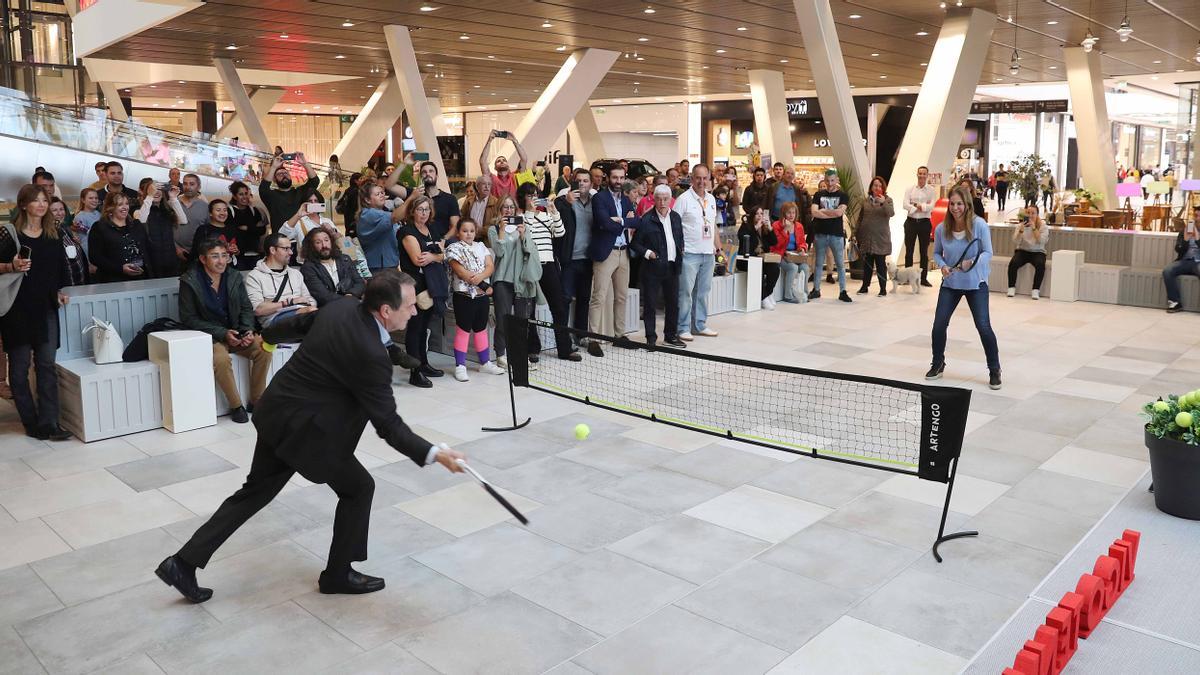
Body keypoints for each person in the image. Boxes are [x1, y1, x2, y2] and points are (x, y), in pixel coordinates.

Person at [157, 271, 469, 602]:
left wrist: (270, 338)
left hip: (278, 412)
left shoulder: (342, 307)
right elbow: (388, 425)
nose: (415, 311)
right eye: (409, 306)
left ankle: (182, 563)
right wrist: (435, 453)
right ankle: (337, 574)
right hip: (308, 433)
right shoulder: (372, 356)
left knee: (254, 492)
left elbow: (298, 324)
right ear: (386, 311)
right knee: (359, 488)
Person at [178, 238, 272, 423]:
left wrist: (247, 331)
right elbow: (188, 318)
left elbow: (246, 308)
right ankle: (236, 406)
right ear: (203, 259)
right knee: (221, 359)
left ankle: (257, 400)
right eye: (215, 256)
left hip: (236, 332)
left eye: (224, 255)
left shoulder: (234, 276)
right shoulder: (190, 280)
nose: (221, 261)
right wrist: (223, 333)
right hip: (210, 336)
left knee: (264, 348)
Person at [930, 185, 1000, 389]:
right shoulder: (942, 228)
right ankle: (937, 363)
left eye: (959, 204)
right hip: (950, 283)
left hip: (975, 283)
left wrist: (972, 262)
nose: (955, 207)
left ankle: (994, 369)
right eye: (952, 203)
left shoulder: (979, 225)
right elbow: (936, 253)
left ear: (967, 204)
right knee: (939, 325)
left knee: (983, 326)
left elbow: (988, 252)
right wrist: (942, 266)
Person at [518, 182, 580, 362]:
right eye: (529, 195)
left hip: (549, 265)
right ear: (523, 198)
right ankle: (532, 348)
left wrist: (553, 210)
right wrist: (529, 212)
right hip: (529, 266)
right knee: (529, 309)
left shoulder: (547, 216)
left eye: (535, 194)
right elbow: (521, 234)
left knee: (559, 307)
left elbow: (560, 232)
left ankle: (564, 348)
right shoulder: (520, 217)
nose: (533, 198)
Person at [586, 166, 638, 358]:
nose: (618, 181)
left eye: (621, 177)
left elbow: (637, 222)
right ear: (609, 178)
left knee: (622, 296)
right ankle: (593, 338)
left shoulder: (625, 199)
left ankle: (619, 335)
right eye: (615, 177)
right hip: (605, 253)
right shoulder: (600, 198)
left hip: (623, 252)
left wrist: (619, 220)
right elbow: (603, 222)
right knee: (599, 296)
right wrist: (624, 221)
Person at [397, 195, 449, 387]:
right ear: (412, 211)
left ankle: (424, 363)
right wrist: (438, 255)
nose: (424, 213)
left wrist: (435, 256)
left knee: (425, 326)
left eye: (427, 209)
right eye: (420, 209)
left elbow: (445, 254)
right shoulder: (406, 231)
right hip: (416, 285)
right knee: (415, 327)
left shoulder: (432, 228)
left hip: (432, 283)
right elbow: (418, 259)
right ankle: (415, 370)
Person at [445, 219, 504, 381]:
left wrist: (480, 279)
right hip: (463, 296)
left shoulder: (481, 246)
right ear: (458, 233)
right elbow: (462, 272)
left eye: (471, 230)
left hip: (481, 297)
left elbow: (490, 266)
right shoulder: (453, 249)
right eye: (465, 231)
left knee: (480, 329)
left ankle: (485, 363)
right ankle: (460, 365)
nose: (469, 234)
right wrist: (484, 285)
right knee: (463, 329)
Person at [488, 196, 541, 371]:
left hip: (522, 280)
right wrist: (502, 232)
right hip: (503, 279)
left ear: (516, 209)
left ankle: (519, 355)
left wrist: (524, 234)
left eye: (511, 207)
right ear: (499, 209)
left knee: (521, 321)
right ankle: (501, 355)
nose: (508, 210)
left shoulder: (523, 228)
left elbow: (530, 250)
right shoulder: (494, 229)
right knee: (503, 319)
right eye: (505, 207)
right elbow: (499, 252)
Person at [632, 185, 686, 347]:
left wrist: (680, 248)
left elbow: (680, 237)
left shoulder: (676, 217)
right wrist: (649, 253)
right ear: (653, 199)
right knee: (650, 304)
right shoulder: (646, 220)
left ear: (671, 200)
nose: (662, 202)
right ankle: (651, 338)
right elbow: (635, 244)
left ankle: (670, 335)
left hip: (672, 266)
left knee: (673, 303)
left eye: (665, 199)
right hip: (652, 268)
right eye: (659, 199)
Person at [674, 163, 719, 340]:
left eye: (704, 178)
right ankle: (683, 327)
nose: (701, 181)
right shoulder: (683, 199)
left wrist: (718, 247)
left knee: (703, 291)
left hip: (708, 253)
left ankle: (699, 324)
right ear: (692, 179)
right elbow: (674, 225)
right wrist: (679, 249)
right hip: (689, 254)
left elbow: (713, 224)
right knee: (685, 292)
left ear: (709, 179)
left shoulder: (712, 200)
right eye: (698, 178)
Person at [555, 168, 595, 339]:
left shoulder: (596, 201)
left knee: (584, 299)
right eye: (578, 180)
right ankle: (563, 338)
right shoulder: (564, 200)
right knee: (564, 299)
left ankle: (581, 335)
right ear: (573, 182)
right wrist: (566, 202)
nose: (582, 184)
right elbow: (554, 213)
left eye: (585, 181)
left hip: (588, 259)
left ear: (591, 184)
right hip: (569, 259)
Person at [246, 232, 316, 326]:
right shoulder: (254, 276)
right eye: (286, 249)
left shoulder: (295, 273)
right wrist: (289, 302)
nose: (291, 252)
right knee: (312, 315)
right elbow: (258, 310)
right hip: (273, 320)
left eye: (290, 248)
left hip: (303, 312)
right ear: (272, 250)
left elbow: (309, 299)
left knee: (330, 313)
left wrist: (308, 305)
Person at [89, 193, 154, 282]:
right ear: (110, 207)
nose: (125, 207)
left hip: (142, 278)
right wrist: (120, 268)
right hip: (115, 280)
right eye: (120, 204)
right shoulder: (99, 227)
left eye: (127, 203)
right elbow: (94, 257)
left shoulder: (136, 225)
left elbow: (148, 249)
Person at [809, 172, 852, 302]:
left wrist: (823, 212)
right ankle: (816, 289)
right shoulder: (818, 194)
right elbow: (814, 212)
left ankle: (843, 291)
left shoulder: (843, 196)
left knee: (839, 264)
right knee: (818, 263)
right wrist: (830, 213)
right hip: (820, 233)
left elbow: (839, 213)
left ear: (837, 180)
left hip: (836, 234)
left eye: (832, 180)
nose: (830, 183)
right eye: (827, 181)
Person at [397, 161, 460, 242]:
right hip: (418, 242)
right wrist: (404, 163)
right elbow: (389, 186)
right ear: (420, 176)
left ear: (437, 175)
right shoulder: (415, 194)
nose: (428, 174)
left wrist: (442, 241)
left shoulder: (450, 199)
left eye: (431, 171)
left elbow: (455, 226)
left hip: (443, 242)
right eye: (424, 172)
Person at [135, 178, 186, 279]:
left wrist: (173, 198)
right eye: (154, 189)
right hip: (151, 260)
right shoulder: (139, 211)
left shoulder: (167, 211)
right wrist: (149, 196)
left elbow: (183, 220)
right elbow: (141, 221)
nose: (157, 192)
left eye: (159, 189)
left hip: (170, 258)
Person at [300, 228, 365, 306]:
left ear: (331, 241)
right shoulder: (308, 268)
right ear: (311, 246)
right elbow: (323, 295)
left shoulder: (344, 259)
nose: (324, 245)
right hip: (328, 308)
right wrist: (347, 300)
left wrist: (350, 295)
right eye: (318, 242)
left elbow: (359, 283)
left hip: (352, 302)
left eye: (326, 240)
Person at [260, 152, 320, 233]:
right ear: (274, 180)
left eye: (286, 173)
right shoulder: (271, 195)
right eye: (279, 174)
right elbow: (263, 188)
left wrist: (305, 163)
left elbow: (314, 181)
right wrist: (273, 167)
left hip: (300, 236)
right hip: (281, 238)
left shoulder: (299, 192)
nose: (284, 175)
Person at [855, 176, 894, 297]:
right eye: (875, 185)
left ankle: (883, 288)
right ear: (871, 188)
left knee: (881, 264)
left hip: (880, 238)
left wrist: (883, 203)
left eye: (879, 186)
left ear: (883, 188)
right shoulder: (866, 201)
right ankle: (864, 286)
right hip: (866, 238)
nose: (877, 188)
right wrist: (856, 233)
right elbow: (861, 218)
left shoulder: (888, 200)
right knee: (867, 264)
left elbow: (891, 213)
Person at [738, 206, 781, 310]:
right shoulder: (746, 226)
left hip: (761, 258)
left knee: (775, 268)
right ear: (752, 215)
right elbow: (745, 242)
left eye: (761, 214)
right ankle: (763, 297)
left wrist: (770, 228)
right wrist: (755, 228)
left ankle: (768, 292)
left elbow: (774, 242)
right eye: (757, 214)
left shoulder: (764, 228)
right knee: (758, 269)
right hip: (747, 259)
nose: (760, 216)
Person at [356, 183, 401, 275]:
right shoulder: (368, 214)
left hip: (390, 263)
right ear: (367, 200)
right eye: (377, 194)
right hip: (380, 267)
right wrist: (412, 198)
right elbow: (394, 218)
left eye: (382, 193)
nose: (382, 195)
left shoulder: (384, 212)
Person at [903, 166, 937, 288]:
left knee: (924, 252)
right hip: (911, 222)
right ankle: (907, 277)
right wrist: (922, 207)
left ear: (927, 175)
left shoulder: (931, 190)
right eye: (920, 173)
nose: (922, 176)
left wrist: (917, 206)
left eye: (924, 174)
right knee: (909, 251)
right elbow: (905, 204)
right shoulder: (910, 189)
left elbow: (932, 206)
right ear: (917, 174)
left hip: (924, 223)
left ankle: (923, 279)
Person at [1007, 204, 1050, 300]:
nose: (1030, 215)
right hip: (1023, 250)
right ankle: (1011, 287)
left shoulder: (1043, 226)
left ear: (1037, 215)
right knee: (1013, 263)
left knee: (1040, 264)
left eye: (1033, 213)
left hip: (1038, 251)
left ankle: (1035, 290)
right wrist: (1021, 231)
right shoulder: (1020, 225)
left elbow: (1042, 241)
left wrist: (1034, 228)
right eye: (1028, 213)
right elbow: (1016, 241)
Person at [279, 192, 337, 261]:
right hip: (308, 263)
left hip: (329, 261)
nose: (313, 203)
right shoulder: (298, 222)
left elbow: (339, 240)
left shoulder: (327, 221)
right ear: (304, 204)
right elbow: (281, 236)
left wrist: (331, 231)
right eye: (310, 201)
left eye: (316, 201)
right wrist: (298, 215)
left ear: (320, 203)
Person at [1163, 206, 1200, 313]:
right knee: (1167, 271)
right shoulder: (1186, 229)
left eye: (1198, 216)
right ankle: (1175, 302)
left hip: (1198, 262)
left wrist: (1197, 238)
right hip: (1185, 261)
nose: (1196, 219)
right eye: (1195, 215)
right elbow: (1178, 249)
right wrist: (1185, 240)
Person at [771, 201, 809, 304]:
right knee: (793, 267)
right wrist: (785, 230)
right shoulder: (776, 225)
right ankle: (788, 295)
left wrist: (802, 249)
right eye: (789, 213)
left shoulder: (799, 226)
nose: (791, 215)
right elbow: (777, 244)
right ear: (783, 214)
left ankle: (804, 293)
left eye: (793, 212)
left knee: (805, 267)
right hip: (780, 254)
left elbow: (802, 242)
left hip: (794, 255)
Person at [480, 130, 531, 201]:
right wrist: (489, 141)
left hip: (513, 211)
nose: (501, 161)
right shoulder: (492, 178)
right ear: (495, 168)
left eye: (504, 160)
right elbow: (482, 161)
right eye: (498, 161)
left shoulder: (515, 176)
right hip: (497, 211)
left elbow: (524, 159)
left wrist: (514, 141)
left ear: (508, 165)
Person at [228, 181, 268, 271]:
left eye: (246, 193)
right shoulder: (229, 212)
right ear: (235, 196)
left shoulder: (255, 211)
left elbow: (262, 230)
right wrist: (254, 229)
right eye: (241, 194)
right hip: (238, 256)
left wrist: (247, 228)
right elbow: (231, 231)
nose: (244, 197)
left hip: (255, 254)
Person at [50, 198, 90, 287]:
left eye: (61, 209)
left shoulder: (65, 228)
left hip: (78, 280)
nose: (59, 213)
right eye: (54, 210)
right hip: (65, 285)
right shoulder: (48, 233)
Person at [190, 199, 240, 267]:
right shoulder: (203, 229)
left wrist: (236, 251)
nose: (222, 213)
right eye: (218, 210)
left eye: (225, 210)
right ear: (210, 213)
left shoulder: (232, 229)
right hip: (209, 268)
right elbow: (196, 252)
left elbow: (239, 251)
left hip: (230, 268)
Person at [176, 173, 209, 258]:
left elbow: (207, 230)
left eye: (192, 184)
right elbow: (166, 228)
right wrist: (176, 248)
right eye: (185, 183)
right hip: (173, 251)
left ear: (199, 187)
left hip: (197, 253)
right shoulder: (174, 203)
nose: (188, 187)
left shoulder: (205, 206)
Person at [460, 174, 499, 244]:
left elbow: (497, 225)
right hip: (469, 239)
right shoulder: (469, 201)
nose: (487, 187)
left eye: (489, 184)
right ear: (477, 186)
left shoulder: (496, 203)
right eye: (484, 184)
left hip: (487, 241)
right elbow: (462, 217)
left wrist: (481, 230)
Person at [73, 188, 101, 256]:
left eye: (96, 198)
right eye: (91, 198)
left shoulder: (99, 214)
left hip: (99, 249)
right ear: (83, 200)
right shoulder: (80, 217)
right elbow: (89, 235)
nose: (94, 200)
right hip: (88, 251)